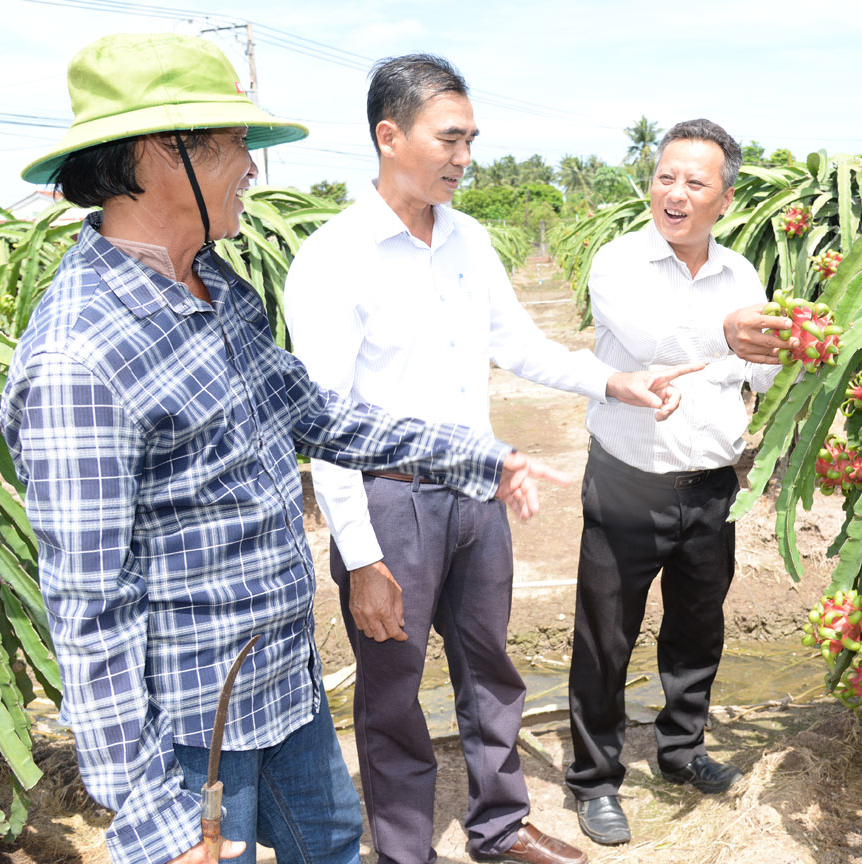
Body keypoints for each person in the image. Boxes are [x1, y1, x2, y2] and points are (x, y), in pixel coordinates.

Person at [1, 34, 563, 864]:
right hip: (192, 722)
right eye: (235, 148)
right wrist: (155, 823)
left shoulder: (214, 283)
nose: (253, 171)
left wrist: (479, 456)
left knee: (333, 840)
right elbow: (91, 610)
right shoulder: (79, 358)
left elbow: (317, 412)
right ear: (166, 155)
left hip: (281, 679)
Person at [282, 55, 699, 864]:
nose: (463, 157)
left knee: (491, 672)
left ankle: (500, 828)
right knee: (393, 692)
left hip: (477, 490)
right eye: (449, 138)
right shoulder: (333, 258)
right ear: (388, 135)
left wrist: (616, 379)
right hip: (388, 502)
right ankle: (405, 849)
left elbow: (522, 347)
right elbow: (325, 424)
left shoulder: (466, 239)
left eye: (471, 139)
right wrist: (361, 557)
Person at [565, 119, 795, 846]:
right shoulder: (618, 263)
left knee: (698, 626)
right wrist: (728, 338)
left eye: (695, 182)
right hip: (627, 480)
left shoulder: (743, 276)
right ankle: (595, 781)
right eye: (666, 175)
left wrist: (794, 346)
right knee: (606, 637)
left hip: (710, 485)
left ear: (724, 199)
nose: (675, 191)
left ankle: (681, 750)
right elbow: (651, 343)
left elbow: (763, 371)